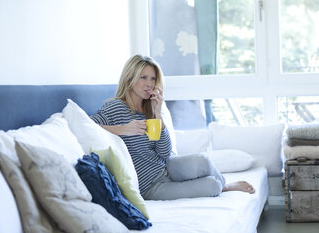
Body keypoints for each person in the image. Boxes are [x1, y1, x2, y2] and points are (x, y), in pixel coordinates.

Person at [90, 54, 255, 200]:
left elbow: (164, 152)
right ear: (130, 78)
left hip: (166, 167)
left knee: (203, 161)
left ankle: (226, 184)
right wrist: (125, 129)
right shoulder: (116, 107)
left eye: (153, 79)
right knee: (212, 186)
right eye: (143, 77)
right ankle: (223, 187)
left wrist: (157, 114)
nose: (149, 84)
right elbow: (86, 125)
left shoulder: (149, 109)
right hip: (149, 186)